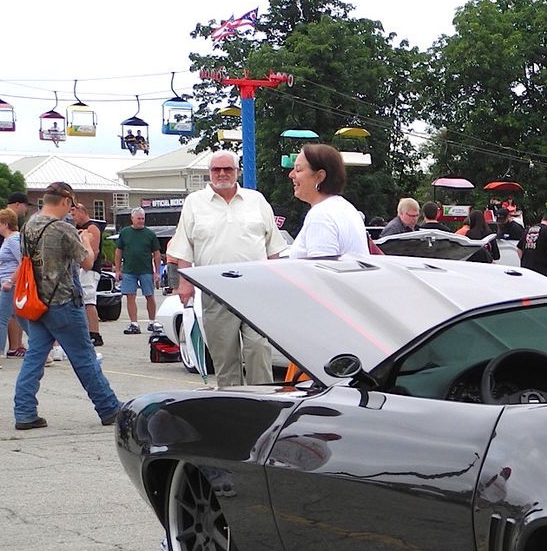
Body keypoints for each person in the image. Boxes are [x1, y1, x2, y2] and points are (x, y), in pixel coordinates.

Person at [169, 151, 288, 386]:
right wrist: (185, 284)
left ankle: (263, 406)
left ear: (237, 171)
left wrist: (278, 284)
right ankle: (233, 409)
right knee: (224, 357)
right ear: (209, 174)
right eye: (216, 170)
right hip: (216, 289)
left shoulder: (257, 200)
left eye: (228, 169)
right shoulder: (194, 202)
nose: (222, 174)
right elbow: (184, 246)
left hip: (256, 288)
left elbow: (273, 246)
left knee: (258, 350)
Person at [12, 182, 122, 430]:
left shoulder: (28, 226)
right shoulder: (63, 229)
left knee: (34, 358)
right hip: (63, 303)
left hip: (37, 303)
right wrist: (86, 240)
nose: (70, 211)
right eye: (70, 206)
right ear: (64, 202)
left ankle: (24, 412)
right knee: (84, 357)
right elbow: (86, 262)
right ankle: (109, 407)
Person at [283, 144, 370, 259]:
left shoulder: (320, 215)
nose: (291, 175)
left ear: (320, 176)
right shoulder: (345, 207)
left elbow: (321, 271)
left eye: (298, 170)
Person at [115, 207, 163, 334]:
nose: (141, 221)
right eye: (139, 218)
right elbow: (119, 251)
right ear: (132, 219)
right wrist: (118, 270)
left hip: (146, 270)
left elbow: (157, 253)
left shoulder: (150, 234)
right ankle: (134, 323)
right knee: (130, 296)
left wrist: (157, 272)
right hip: (129, 271)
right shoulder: (125, 233)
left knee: (149, 296)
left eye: (143, 219)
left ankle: (152, 321)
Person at [70, 200, 105, 347]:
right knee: (82, 300)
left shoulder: (92, 227)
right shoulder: (77, 228)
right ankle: (85, 331)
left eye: (74, 212)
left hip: (89, 269)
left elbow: (94, 249)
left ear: (82, 212)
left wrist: (87, 266)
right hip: (81, 268)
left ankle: (94, 333)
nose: (72, 216)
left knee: (89, 300)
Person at [5, 194, 29, 356]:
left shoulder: (12, 235)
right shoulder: (11, 232)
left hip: (11, 277)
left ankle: (16, 345)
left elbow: (22, 259)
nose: (26, 210)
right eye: (26, 206)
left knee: (14, 313)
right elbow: (22, 258)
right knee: (15, 313)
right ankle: (15, 346)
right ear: (18, 204)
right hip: (10, 277)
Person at [0, 208, 19, 364]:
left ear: (5, 224)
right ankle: (44, 354)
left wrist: (10, 281)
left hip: (10, 285)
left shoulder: (13, 240)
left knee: (1, 319)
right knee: (22, 320)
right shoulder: (9, 240)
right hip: (8, 283)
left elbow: (24, 262)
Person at [520, 211, 547, 276]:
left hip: (526, 269)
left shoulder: (529, 230)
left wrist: (524, 259)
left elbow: (518, 249)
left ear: (543, 220)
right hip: (541, 271)